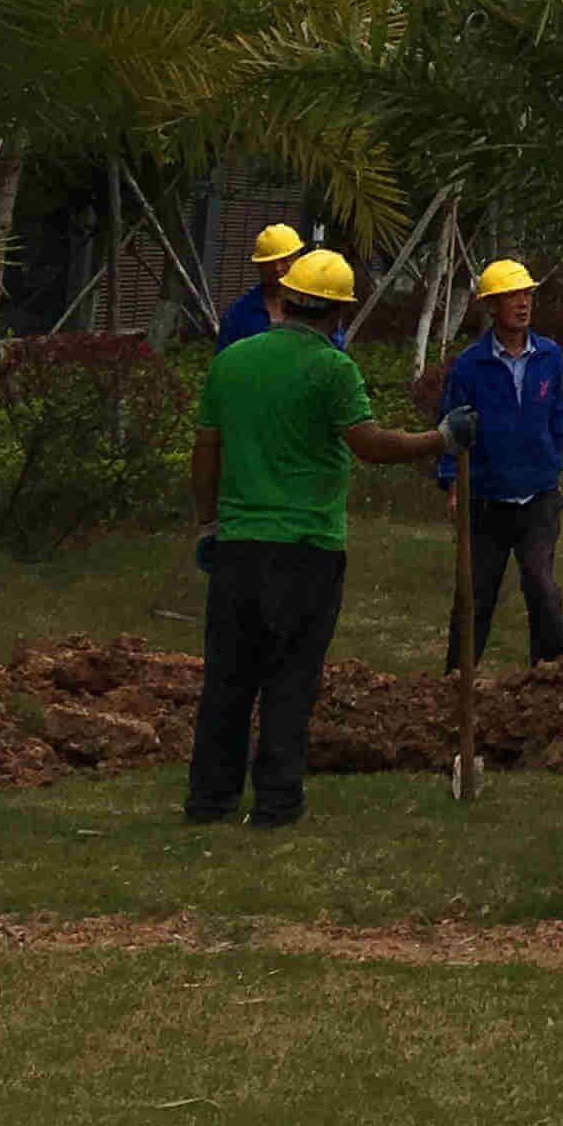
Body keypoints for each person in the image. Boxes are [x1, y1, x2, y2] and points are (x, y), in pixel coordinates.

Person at [185, 246, 460, 828]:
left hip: (237, 548)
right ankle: (277, 804)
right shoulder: (333, 369)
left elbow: (206, 451)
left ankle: (209, 801)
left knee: (228, 681)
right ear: (338, 315)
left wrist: (207, 524)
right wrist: (441, 439)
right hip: (307, 549)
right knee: (290, 679)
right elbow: (371, 444)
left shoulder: (230, 362)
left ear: (283, 299)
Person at [434, 258, 563, 670]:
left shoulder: (549, 356)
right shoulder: (470, 365)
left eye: (527, 294)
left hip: (538, 497)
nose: (522, 303)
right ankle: (456, 681)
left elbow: (558, 415)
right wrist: (451, 483)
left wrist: (554, 458)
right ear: (492, 306)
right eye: (512, 296)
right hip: (486, 499)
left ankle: (552, 676)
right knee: (474, 594)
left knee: (542, 587)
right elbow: (450, 426)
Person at [214, 222, 343, 351]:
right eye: (270, 263)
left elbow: (335, 351)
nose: (278, 268)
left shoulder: (316, 306)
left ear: (298, 259)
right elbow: (224, 358)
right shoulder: (240, 313)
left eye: (284, 260)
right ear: (259, 266)